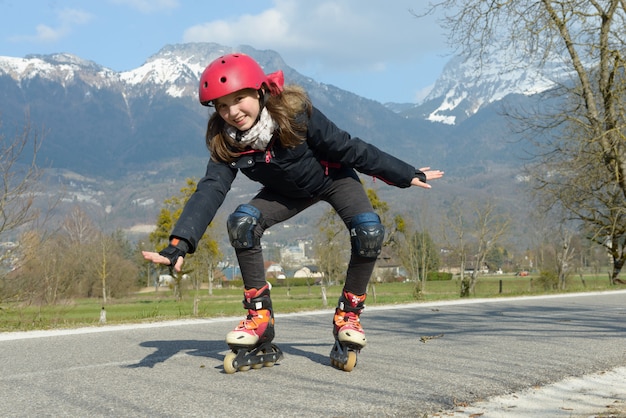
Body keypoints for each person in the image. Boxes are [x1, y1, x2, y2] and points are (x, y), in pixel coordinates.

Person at [142, 52, 444, 370]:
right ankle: (259, 317)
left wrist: (402, 172)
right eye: (222, 105)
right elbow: (211, 189)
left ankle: (349, 315)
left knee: (369, 231)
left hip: (333, 179)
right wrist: (179, 244)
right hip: (286, 195)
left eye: (239, 98)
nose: (232, 112)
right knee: (242, 222)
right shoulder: (227, 141)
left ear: (259, 91)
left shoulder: (295, 113)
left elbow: (348, 147)